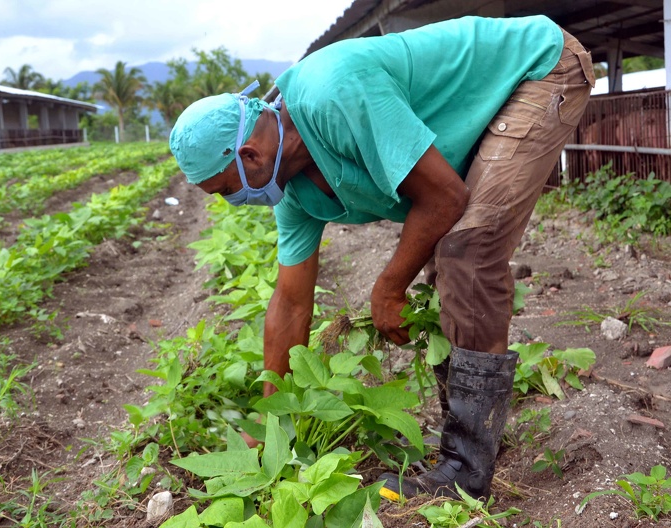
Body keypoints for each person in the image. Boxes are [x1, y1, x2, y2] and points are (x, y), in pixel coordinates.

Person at [169, 14, 594, 500]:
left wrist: (389, 288)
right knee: (446, 263)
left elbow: (443, 198)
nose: (232, 201)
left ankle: (466, 472)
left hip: (536, 68)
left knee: (467, 252)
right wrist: (273, 424)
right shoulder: (293, 192)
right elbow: (290, 303)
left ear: (249, 156)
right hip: (487, 102)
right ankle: (469, 437)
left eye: (225, 190)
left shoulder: (331, 94)